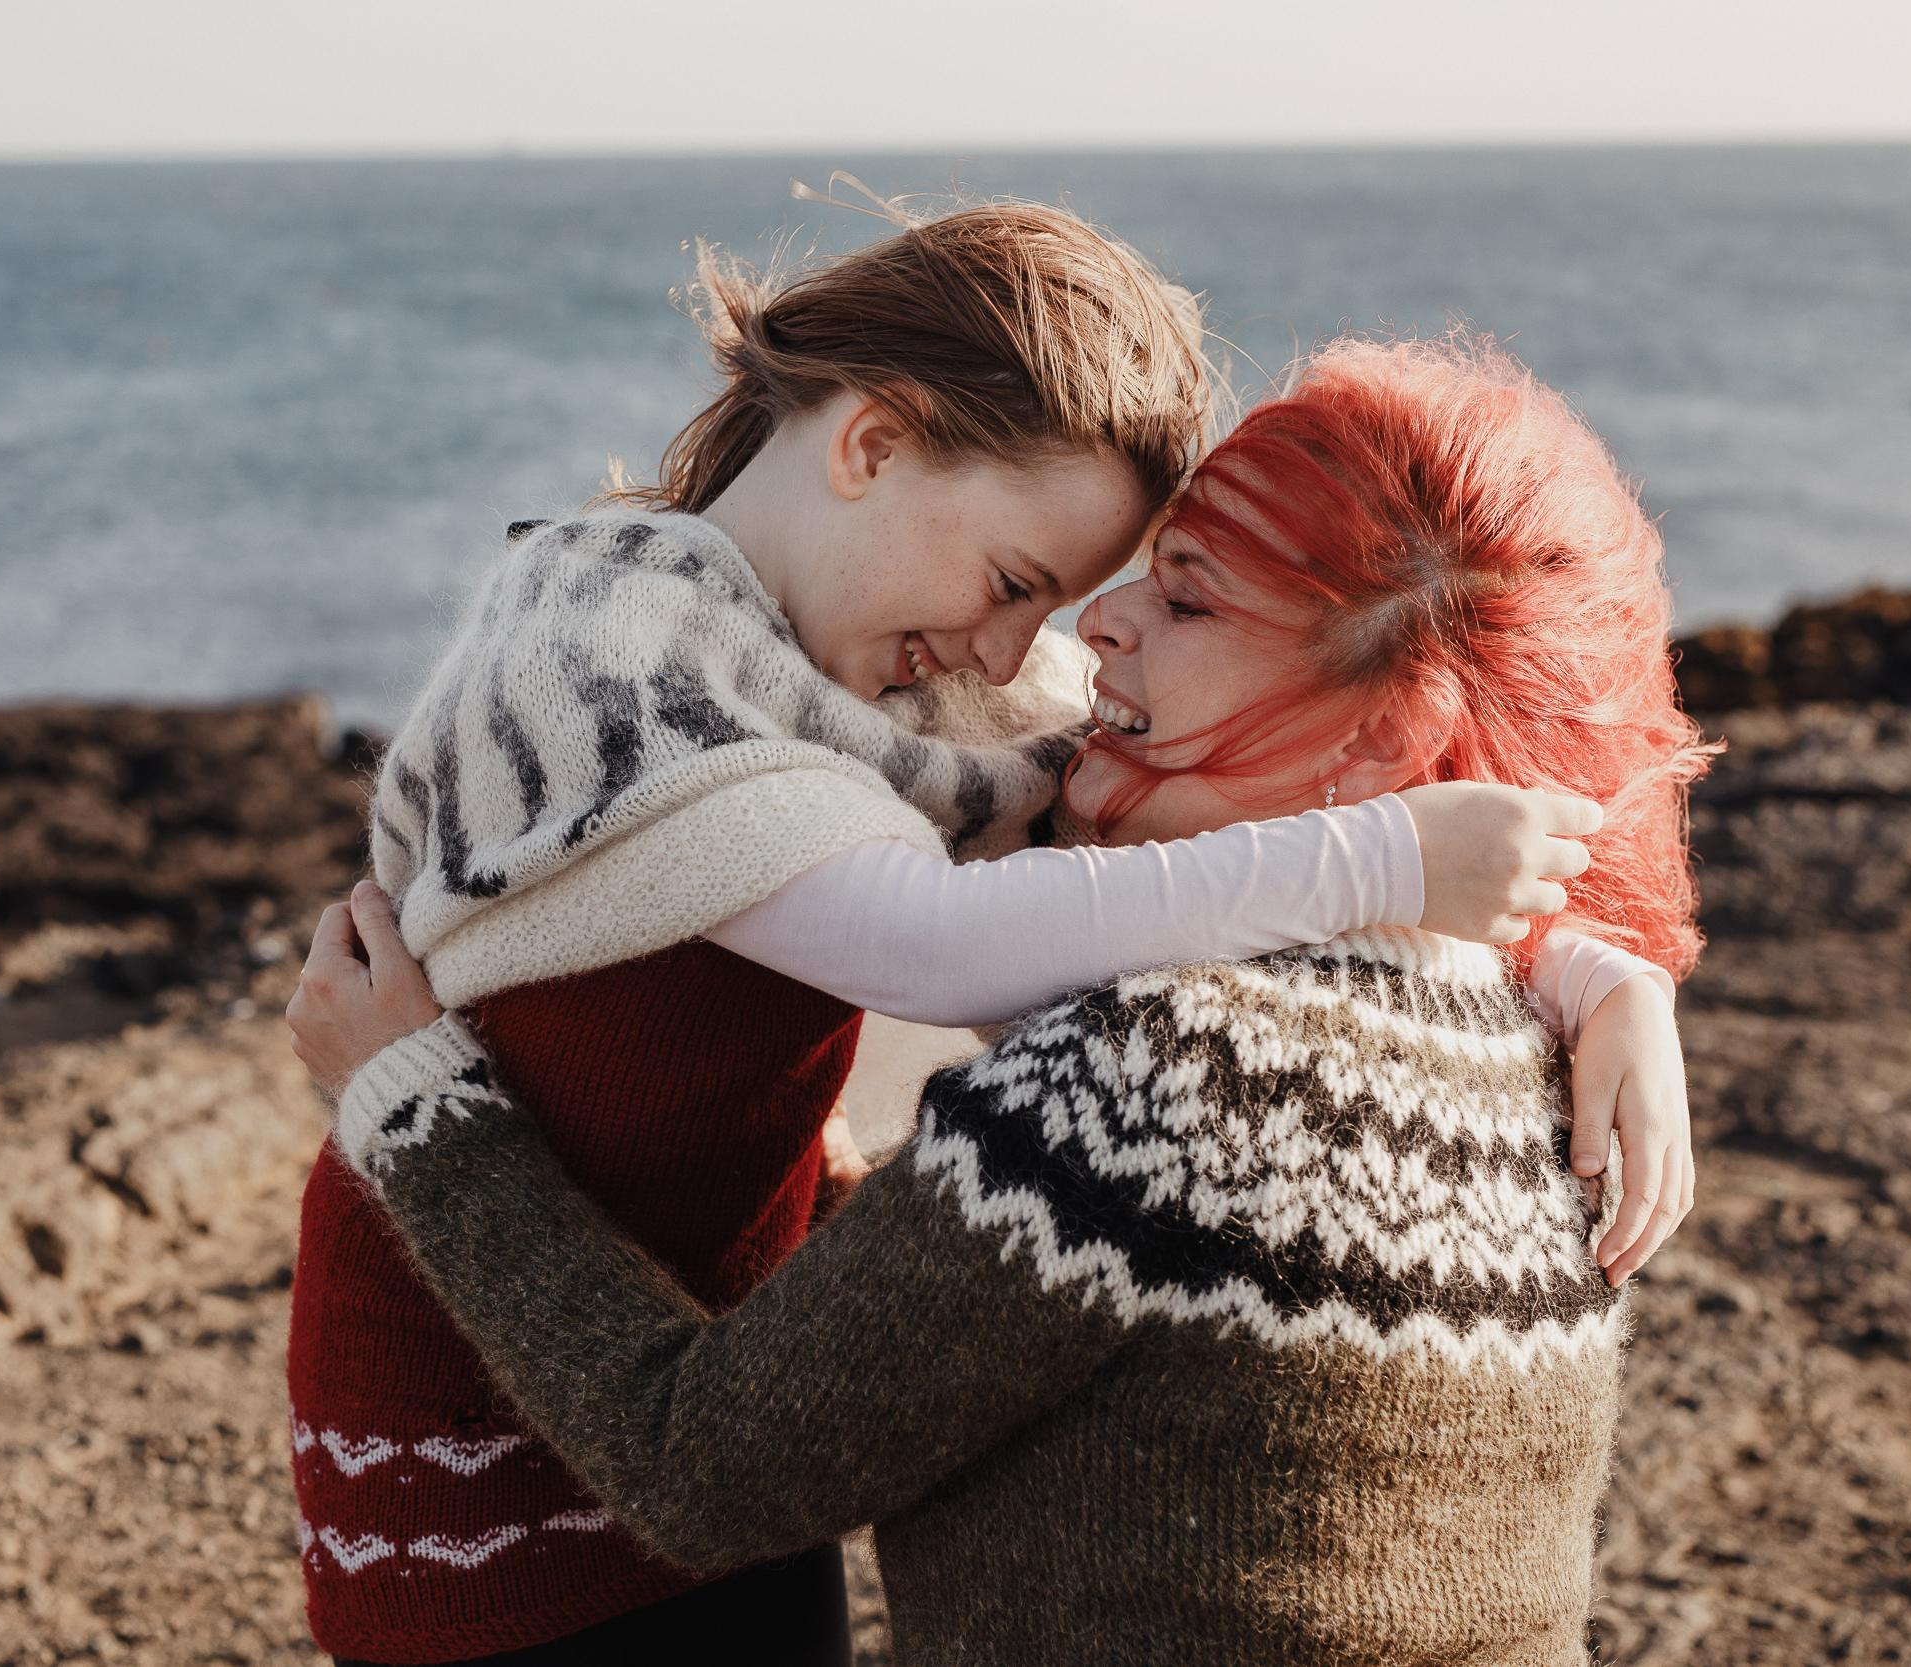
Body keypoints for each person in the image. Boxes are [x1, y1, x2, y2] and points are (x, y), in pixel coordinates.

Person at [284, 193, 1653, 1665]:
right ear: (873, 444)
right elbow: (943, 940)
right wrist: (1380, 858)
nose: (1035, 653)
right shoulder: (613, 669)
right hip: (473, 1382)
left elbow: (1181, 812)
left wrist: (1589, 964)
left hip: (720, 1362)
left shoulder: (904, 690)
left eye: (1073, 602)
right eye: (1020, 587)